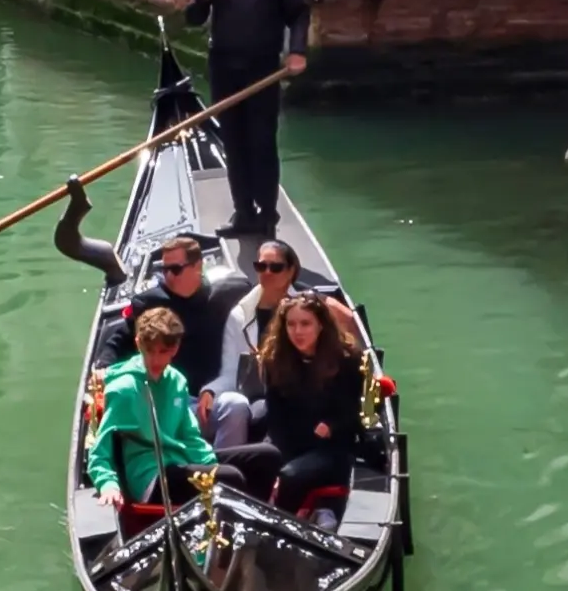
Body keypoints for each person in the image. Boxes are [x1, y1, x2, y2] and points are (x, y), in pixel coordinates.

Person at [184, 0, 314, 237]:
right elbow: (192, 18)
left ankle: (267, 215)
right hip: (224, 66)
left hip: (263, 68)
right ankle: (243, 213)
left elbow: (298, 12)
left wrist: (297, 51)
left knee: (261, 141)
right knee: (233, 141)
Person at [58, 193, 246, 380]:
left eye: (175, 269)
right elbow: (118, 341)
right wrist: (102, 368)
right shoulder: (148, 302)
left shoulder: (226, 294)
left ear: (198, 266)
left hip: (212, 392)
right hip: (164, 390)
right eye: (164, 269)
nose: (168, 275)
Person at [224, 286, 372, 511]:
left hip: (332, 445)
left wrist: (332, 426)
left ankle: (283, 521)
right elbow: (276, 418)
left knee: (290, 475)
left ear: (321, 325)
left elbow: (357, 413)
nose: (297, 331)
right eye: (291, 324)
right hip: (290, 439)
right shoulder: (276, 359)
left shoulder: (347, 359)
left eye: (305, 324)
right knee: (262, 462)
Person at [81, 304, 217, 511]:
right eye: (150, 351)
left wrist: (211, 463)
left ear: (175, 348)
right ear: (138, 344)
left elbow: (190, 436)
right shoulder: (124, 389)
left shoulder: (177, 381)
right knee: (231, 478)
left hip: (178, 462)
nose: (156, 359)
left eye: (163, 352)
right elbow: (100, 450)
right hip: (150, 476)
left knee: (263, 457)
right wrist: (108, 484)